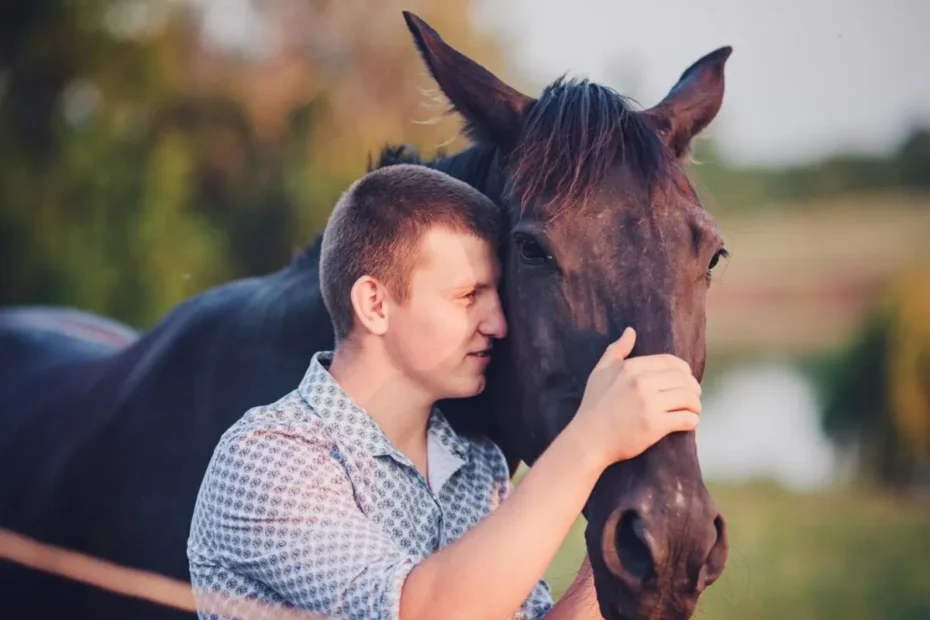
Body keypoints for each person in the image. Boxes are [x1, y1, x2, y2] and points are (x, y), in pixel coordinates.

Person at [186, 164, 702, 620]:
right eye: (467, 296)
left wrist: (620, 521)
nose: (498, 323)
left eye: (495, 296)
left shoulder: (478, 467)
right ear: (375, 305)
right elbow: (424, 612)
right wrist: (590, 441)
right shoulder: (267, 461)